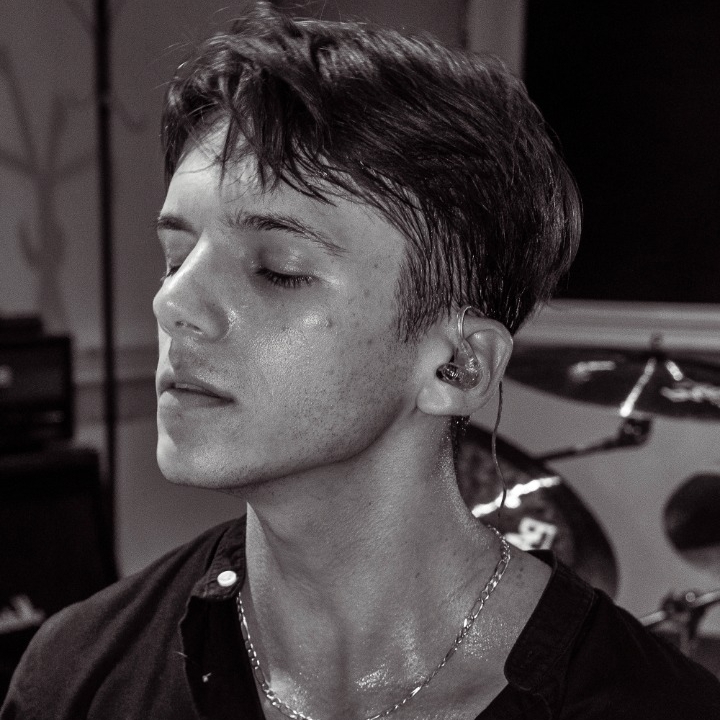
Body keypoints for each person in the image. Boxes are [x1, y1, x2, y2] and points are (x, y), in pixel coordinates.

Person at [3, 4, 720, 719]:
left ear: (458, 365)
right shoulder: (76, 677)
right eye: (175, 256)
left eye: (278, 269)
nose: (172, 303)